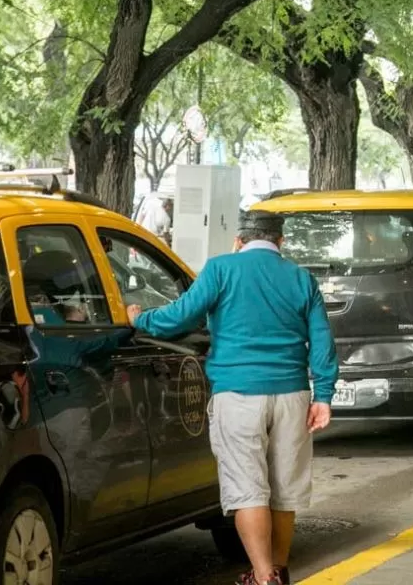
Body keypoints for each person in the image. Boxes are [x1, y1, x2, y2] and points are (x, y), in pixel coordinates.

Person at [128, 211, 338, 585]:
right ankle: (280, 569)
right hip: (292, 396)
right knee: (284, 491)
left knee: (248, 489)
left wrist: (140, 319)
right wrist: (323, 395)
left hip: (238, 395)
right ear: (280, 242)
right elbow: (322, 340)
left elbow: (180, 317)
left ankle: (262, 576)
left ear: (239, 239)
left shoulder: (221, 269)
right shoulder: (301, 278)